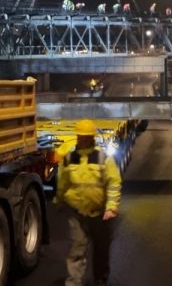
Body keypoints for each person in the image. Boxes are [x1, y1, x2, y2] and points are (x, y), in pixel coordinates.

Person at [56, 119, 122, 286]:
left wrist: (111, 207)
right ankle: (74, 282)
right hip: (77, 213)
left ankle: (100, 279)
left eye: (86, 137)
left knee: (101, 250)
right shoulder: (70, 158)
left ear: (92, 137)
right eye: (80, 136)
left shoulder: (103, 158)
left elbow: (113, 182)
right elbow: (62, 181)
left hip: (99, 214)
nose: (83, 139)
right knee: (77, 249)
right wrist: (59, 199)